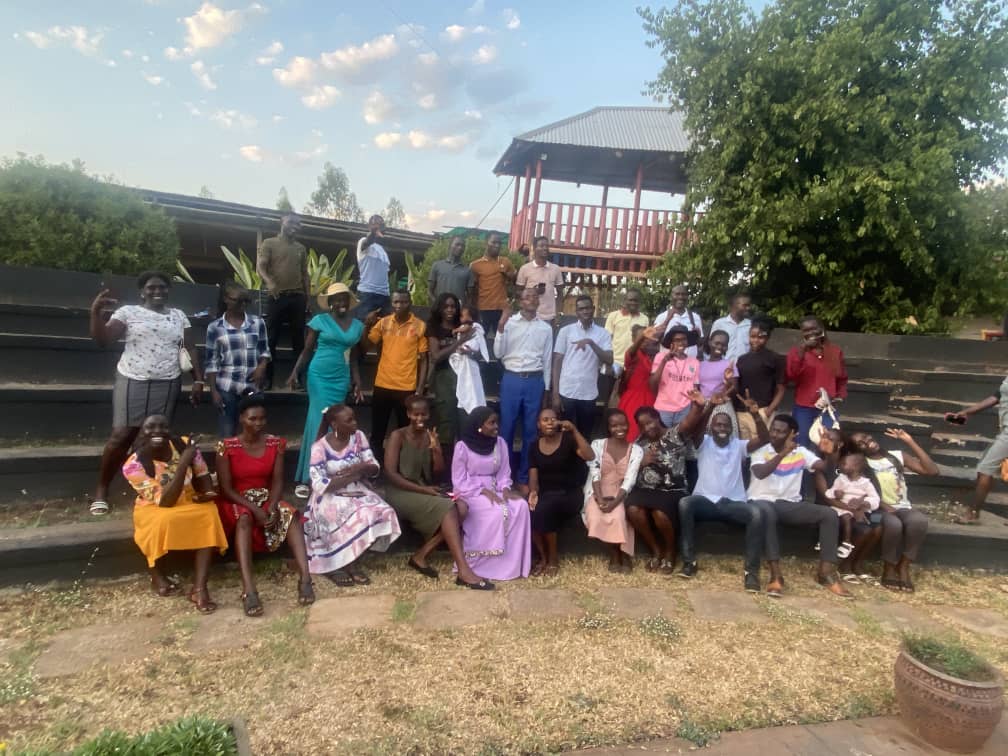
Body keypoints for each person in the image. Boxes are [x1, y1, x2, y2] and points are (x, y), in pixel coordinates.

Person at [88, 272, 205, 516]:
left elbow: (189, 347)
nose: (157, 291)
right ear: (142, 291)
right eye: (151, 287)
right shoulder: (128, 312)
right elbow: (103, 340)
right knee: (122, 435)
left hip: (167, 380)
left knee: (156, 437)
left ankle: (147, 487)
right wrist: (95, 314)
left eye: (162, 287)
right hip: (133, 378)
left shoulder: (178, 316)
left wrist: (198, 380)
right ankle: (101, 490)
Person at [215, 393, 315, 616]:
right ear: (241, 418)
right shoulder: (226, 446)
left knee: (291, 515)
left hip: (266, 496)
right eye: (252, 419)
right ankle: (249, 590)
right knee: (244, 519)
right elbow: (226, 489)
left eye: (262, 419)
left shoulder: (275, 444)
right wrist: (255, 509)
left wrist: (271, 505)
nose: (258, 423)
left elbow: (278, 481)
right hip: (237, 499)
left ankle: (306, 579)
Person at [383, 395, 493, 589]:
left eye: (423, 414)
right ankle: (464, 570)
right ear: (408, 414)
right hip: (400, 491)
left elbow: (439, 471)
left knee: (463, 507)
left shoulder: (429, 436)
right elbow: (391, 474)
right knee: (449, 508)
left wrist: (436, 450)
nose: (420, 419)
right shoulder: (397, 436)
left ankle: (421, 555)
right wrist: (424, 490)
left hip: (424, 490)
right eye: (415, 414)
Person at [121, 415, 227, 614]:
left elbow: (203, 475)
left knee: (208, 514)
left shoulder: (184, 444)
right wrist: (183, 463)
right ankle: (156, 574)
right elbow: (165, 501)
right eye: (150, 427)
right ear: (141, 432)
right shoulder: (133, 465)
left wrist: (208, 494)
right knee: (161, 522)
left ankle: (199, 588)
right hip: (155, 506)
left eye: (163, 426)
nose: (157, 431)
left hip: (188, 499)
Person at [747, 414, 852, 598]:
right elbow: (761, 473)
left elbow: (824, 467)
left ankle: (826, 572)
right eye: (773, 429)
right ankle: (776, 575)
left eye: (781, 432)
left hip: (788, 505)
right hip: (760, 502)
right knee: (768, 512)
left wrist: (829, 451)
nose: (775, 434)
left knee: (828, 514)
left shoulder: (801, 452)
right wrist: (783, 454)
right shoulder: (760, 450)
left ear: (792, 434)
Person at [678, 391, 770, 591]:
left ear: (731, 429)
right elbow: (696, 429)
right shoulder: (704, 442)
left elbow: (764, 439)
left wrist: (755, 414)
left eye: (726, 425)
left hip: (733, 503)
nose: (722, 428)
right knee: (685, 503)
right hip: (705, 501)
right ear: (712, 427)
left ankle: (751, 573)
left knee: (755, 513)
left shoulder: (740, 445)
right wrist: (710, 406)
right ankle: (689, 562)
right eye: (718, 424)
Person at [304, 404, 401, 585]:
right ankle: (340, 564)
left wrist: (361, 468)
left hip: (357, 490)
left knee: (384, 511)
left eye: (354, 418)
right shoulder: (319, 447)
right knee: (358, 513)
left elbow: (374, 467)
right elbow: (320, 485)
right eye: (349, 420)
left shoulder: (358, 437)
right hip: (328, 497)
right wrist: (355, 475)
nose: (355, 423)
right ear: (334, 424)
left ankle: (350, 559)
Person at [288, 283, 364, 498]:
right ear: (330, 303)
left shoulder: (357, 326)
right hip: (319, 376)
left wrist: (358, 382)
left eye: (344, 299)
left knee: (336, 423)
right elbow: (306, 350)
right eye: (336, 299)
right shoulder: (319, 321)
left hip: (341, 377)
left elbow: (355, 358)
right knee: (318, 421)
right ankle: (306, 477)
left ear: (349, 301)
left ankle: (330, 473)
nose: (340, 303)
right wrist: (295, 372)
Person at [848, 428, 939, 592]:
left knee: (918, 521)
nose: (865, 442)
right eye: (860, 444)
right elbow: (860, 490)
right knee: (894, 525)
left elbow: (932, 471)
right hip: (876, 508)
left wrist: (909, 441)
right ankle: (889, 567)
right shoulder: (861, 463)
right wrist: (884, 506)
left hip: (902, 506)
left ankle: (903, 566)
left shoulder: (897, 455)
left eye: (865, 436)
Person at [451, 407, 532, 582]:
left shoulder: (500, 443)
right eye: (491, 423)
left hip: (497, 489)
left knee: (521, 506)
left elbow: (504, 472)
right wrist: (483, 491)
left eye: (497, 422)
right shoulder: (462, 446)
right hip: (470, 492)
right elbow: (459, 480)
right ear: (479, 426)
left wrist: (505, 490)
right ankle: (481, 565)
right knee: (497, 511)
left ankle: (511, 565)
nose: (496, 426)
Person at [628, 403, 707, 574]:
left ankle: (670, 553)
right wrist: (642, 463)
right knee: (633, 509)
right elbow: (628, 470)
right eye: (642, 425)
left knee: (660, 513)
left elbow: (689, 422)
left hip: (673, 489)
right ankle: (656, 551)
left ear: (657, 418)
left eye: (649, 422)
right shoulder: (639, 443)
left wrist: (698, 406)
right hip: (646, 489)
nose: (647, 427)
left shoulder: (674, 434)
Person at [495, 289, 554, 485]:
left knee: (531, 431)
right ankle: (503, 475)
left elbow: (547, 360)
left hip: (534, 381)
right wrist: (501, 326)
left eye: (535, 297)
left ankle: (523, 477)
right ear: (520, 302)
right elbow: (497, 353)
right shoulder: (509, 323)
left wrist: (546, 389)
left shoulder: (545, 329)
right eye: (527, 296)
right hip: (511, 379)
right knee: (507, 428)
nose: (532, 299)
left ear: (539, 302)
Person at [364, 290, 429, 465]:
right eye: (396, 302)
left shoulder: (420, 326)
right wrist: (367, 325)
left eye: (403, 302)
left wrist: (420, 388)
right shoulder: (383, 323)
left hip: (406, 388)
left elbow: (424, 360)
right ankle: (375, 470)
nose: (399, 306)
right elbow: (366, 345)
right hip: (382, 384)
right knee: (378, 432)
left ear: (410, 303)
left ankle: (403, 469)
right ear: (392, 304)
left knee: (405, 432)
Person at [527, 408, 593, 576]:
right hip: (547, 495)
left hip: (569, 494)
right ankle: (543, 557)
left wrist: (574, 430)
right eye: (545, 419)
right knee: (531, 508)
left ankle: (553, 559)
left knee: (546, 506)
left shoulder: (569, 440)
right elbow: (533, 476)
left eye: (553, 419)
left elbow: (589, 455)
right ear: (538, 424)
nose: (549, 422)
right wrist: (533, 492)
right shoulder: (534, 446)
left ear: (559, 422)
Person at [815, 428, 882, 584]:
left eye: (830, 439)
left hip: (861, 508)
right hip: (835, 510)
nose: (825, 440)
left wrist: (862, 505)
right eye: (823, 437)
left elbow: (871, 491)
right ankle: (845, 566)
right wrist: (852, 510)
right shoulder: (821, 465)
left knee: (879, 524)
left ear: (840, 444)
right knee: (864, 529)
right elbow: (828, 497)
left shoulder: (851, 463)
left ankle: (857, 564)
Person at [205, 282, 270, 439]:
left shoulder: (257, 323)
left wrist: (262, 366)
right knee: (227, 433)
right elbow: (211, 361)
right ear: (226, 299)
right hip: (227, 385)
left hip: (252, 384)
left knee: (253, 431)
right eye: (238, 300)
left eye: (245, 301)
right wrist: (213, 391)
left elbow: (264, 350)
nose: (242, 305)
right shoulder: (215, 327)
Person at [583, 408, 644, 572]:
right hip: (597, 490)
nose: (619, 429)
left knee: (618, 516)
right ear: (608, 427)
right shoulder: (597, 444)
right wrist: (600, 498)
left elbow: (630, 479)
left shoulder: (636, 450)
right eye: (614, 425)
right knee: (596, 516)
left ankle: (624, 554)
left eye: (623, 424)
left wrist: (615, 502)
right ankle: (614, 555)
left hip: (621, 491)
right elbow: (594, 471)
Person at [256, 213, 309, 390]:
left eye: (299, 223)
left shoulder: (301, 248)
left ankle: (298, 379)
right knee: (271, 339)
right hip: (277, 297)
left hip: (298, 297)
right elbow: (261, 266)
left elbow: (305, 274)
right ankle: (268, 379)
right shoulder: (269, 243)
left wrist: (308, 299)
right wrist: (269, 281)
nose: (296, 225)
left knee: (298, 341)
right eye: (292, 222)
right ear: (282, 222)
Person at [947, 375, 1008, 522]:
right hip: (1004, 430)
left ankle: (973, 513)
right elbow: (997, 396)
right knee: (985, 468)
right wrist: (968, 411)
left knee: (985, 469)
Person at [551, 295, 613, 438]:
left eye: (588, 308)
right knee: (565, 435)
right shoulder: (566, 331)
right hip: (567, 391)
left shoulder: (603, 334)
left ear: (593, 309)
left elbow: (609, 359)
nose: (585, 311)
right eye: (581, 309)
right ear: (576, 312)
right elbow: (557, 362)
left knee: (585, 435)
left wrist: (591, 343)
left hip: (588, 393)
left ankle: (582, 461)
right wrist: (555, 394)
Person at [786, 316, 848, 447]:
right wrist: (801, 353)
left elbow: (841, 377)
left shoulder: (835, 351)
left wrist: (839, 396)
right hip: (804, 406)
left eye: (814, 328)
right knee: (801, 442)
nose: (810, 333)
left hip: (827, 406)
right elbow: (792, 376)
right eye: (806, 330)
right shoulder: (796, 352)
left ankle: (826, 468)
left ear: (822, 329)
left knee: (828, 444)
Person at [425, 293, 467, 455]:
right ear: (440, 308)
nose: (450, 310)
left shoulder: (463, 325)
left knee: (464, 421)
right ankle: (445, 469)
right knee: (446, 421)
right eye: (446, 306)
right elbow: (435, 356)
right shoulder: (434, 328)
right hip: (443, 377)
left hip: (464, 377)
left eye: (453, 306)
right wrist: (459, 342)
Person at [734, 319, 785, 440]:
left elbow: (781, 388)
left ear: (767, 338)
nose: (756, 340)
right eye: (752, 336)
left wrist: (769, 410)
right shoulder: (742, 359)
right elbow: (737, 385)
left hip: (762, 410)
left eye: (760, 337)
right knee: (745, 449)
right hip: (742, 411)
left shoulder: (774, 358)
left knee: (762, 447)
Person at [824, 452, 880, 559]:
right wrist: (835, 493)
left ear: (856, 467)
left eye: (844, 464)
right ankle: (846, 541)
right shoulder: (841, 479)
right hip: (842, 508)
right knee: (846, 517)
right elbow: (829, 493)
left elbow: (875, 498)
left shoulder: (866, 483)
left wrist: (865, 502)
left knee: (876, 521)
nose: (840, 466)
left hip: (861, 510)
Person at [649, 325, 700, 428]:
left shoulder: (694, 362)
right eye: (677, 340)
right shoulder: (661, 357)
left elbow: (695, 388)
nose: (681, 343)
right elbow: (652, 384)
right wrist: (664, 361)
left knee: (679, 440)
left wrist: (692, 408)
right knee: (663, 440)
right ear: (671, 343)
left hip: (684, 408)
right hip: (663, 408)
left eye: (684, 339)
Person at [619, 326, 660, 442]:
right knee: (632, 434)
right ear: (634, 340)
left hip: (650, 399)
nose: (645, 341)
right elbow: (631, 351)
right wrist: (642, 337)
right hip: (633, 400)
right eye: (642, 338)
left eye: (648, 338)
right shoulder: (633, 354)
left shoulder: (651, 356)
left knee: (649, 435)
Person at [470, 233, 516, 336]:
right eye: (494, 242)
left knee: (501, 338)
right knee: (479, 338)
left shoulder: (506, 261)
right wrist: (472, 308)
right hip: (483, 308)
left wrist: (508, 275)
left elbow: (515, 281)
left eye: (499, 243)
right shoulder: (475, 265)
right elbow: (472, 289)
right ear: (486, 243)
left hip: (501, 309)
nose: (497, 245)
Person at [515, 236, 566, 324]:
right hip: (529, 316)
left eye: (547, 246)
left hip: (549, 317)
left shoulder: (555, 269)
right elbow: (518, 292)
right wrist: (533, 292)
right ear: (534, 249)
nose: (545, 248)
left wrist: (558, 314)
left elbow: (560, 293)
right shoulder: (525, 268)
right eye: (542, 246)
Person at [450, 305, 490, 416]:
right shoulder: (464, 327)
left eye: (462, 315)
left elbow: (467, 329)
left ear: (471, 318)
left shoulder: (473, 326)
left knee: (472, 386)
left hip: (470, 358)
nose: (460, 318)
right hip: (462, 360)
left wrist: (456, 330)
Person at [697, 329, 739, 436]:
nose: (720, 347)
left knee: (723, 437)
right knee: (703, 437)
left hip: (722, 405)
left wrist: (727, 381)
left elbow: (735, 389)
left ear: (727, 347)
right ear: (710, 342)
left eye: (724, 345)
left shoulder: (729, 365)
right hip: (704, 405)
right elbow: (697, 388)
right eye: (717, 343)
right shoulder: (700, 365)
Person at [604, 289, 649, 378]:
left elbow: (644, 342)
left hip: (633, 364)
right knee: (610, 390)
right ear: (625, 301)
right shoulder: (613, 316)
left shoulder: (645, 319)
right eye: (630, 300)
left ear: (639, 302)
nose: (633, 303)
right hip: (615, 362)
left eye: (636, 300)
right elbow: (606, 339)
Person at [354, 214, 392, 321]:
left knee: (383, 330)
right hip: (367, 294)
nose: (378, 226)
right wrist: (373, 234)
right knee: (364, 327)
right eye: (375, 224)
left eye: (381, 224)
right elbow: (368, 240)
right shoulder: (363, 242)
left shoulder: (383, 251)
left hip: (384, 295)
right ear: (369, 227)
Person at [653, 285, 703, 358]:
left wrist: (697, 336)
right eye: (677, 294)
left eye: (683, 294)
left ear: (687, 297)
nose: (680, 297)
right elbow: (654, 340)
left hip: (690, 364)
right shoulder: (662, 317)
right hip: (668, 363)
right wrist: (667, 319)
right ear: (671, 296)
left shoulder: (695, 317)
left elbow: (699, 343)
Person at [429, 236, 475, 304]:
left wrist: (465, 310)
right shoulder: (437, 265)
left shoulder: (467, 270)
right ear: (450, 245)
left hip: (458, 311)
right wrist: (437, 304)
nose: (460, 248)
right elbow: (430, 291)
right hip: (440, 309)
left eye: (463, 246)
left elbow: (470, 296)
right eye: (457, 244)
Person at [711, 293, 753, 363]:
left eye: (749, 305)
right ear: (734, 306)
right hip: (722, 367)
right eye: (745, 305)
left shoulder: (751, 325)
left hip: (745, 367)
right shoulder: (719, 324)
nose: (748, 308)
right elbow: (711, 346)